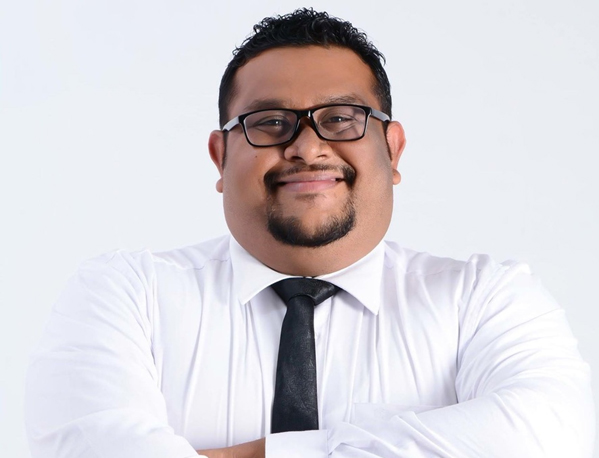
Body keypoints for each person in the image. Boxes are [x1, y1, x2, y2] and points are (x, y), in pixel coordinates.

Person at [25, 8, 594, 458]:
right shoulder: (126, 294)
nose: (307, 146)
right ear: (220, 158)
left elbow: (554, 435)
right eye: (270, 122)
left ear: (393, 149)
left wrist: (272, 453)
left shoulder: (485, 299)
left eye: (341, 118)